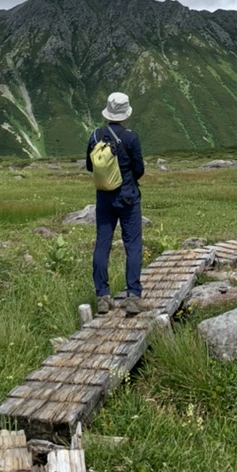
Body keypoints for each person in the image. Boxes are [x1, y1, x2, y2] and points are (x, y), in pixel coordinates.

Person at [86, 91, 146, 316]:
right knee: (132, 245)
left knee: (103, 243)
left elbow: (90, 167)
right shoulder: (131, 137)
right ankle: (133, 296)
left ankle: (102, 296)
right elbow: (139, 168)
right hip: (128, 196)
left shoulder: (94, 135)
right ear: (125, 113)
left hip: (104, 197)